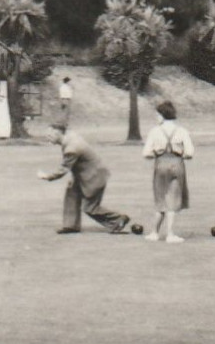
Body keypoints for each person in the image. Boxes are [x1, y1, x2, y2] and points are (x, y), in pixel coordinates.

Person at [40, 123, 129, 234]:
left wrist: (47, 176)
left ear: (58, 133)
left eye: (49, 135)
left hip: (94, 177)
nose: (47, 137)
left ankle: (118, 219)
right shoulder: (70, 137)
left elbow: (63, 169)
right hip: (86, 174)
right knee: (71, 193)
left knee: (89, 208)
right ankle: (70, 226)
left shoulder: (71, 148)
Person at [141, 101, 194, 243]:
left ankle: (154, 233)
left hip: (160, 165)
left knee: (160, 198)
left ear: (162, 115)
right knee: (173, 199)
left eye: (157, 114)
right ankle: (170, 234)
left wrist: (157, 153)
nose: (156, 117)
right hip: (177, 164)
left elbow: (146, 153)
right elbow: (189, 153)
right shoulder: (182, 131)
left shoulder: (155, 131)